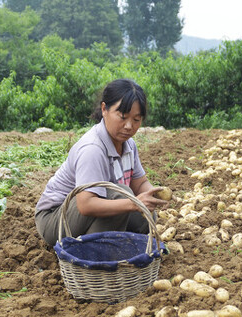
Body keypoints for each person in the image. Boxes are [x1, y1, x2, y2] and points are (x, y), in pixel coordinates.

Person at [34, 78, 169, 246]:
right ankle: (92, 252)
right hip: (55, 220)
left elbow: (139, 183)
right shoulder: (93, 148)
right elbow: (85, 205)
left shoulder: (129, 144)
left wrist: (152, 196)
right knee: (121, 195)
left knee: (145, 217)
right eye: (122, 117)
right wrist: (134, 203)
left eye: (136, 120)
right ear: (104, 109)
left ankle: (113, 244)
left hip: (82, 214)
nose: (129, 126)